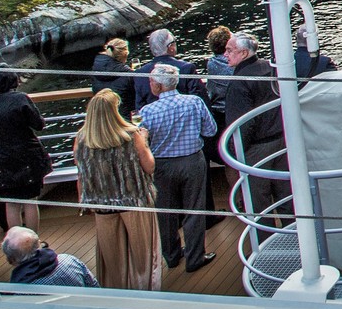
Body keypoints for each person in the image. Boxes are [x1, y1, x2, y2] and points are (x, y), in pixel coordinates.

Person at [73, 89, 159, 290]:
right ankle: (146, 294)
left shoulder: (82, 139)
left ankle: (117, 294)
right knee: (144, 258)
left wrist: (83, 202)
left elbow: (82, 174)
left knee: (112, 261)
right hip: (134, 201)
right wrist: (144, 140)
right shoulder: (132, 135)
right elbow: (150, 166)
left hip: (101, 204)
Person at [138, 65, 218, 273]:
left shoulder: (147, 111)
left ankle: (172, 256)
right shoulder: (194, 102)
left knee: (166, 212)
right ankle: (195, 257)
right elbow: (210, 130)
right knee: (194, 210)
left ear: (157, 85)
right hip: (192, 161)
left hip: (162, 165)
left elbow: (143, 142)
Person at [222, 31, 287, 220]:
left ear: (243, 53)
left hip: (257, 149)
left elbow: (242, 124)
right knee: (286, 196)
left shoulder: (239, 82)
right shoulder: (269, 67)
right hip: (282, 141)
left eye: (229, 50)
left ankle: (266, 245)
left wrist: (236, 153)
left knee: (259, 204)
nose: (225, 54)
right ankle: (296, 238)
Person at [0, 65, 50, 234]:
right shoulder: (20, 99)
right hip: (26, 157)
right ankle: (33, 243)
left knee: (11, 204)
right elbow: (38, 124)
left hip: (0, 160)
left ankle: (16, 242)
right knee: (30, 201)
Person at [2, 226, 99, 287]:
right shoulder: (69, 260)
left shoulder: (19, 290)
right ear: (39, 244)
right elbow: (94, 287)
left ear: (12, 260)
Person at [133, 28, 204, 107]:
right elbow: (201, 100)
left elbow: (139, 106)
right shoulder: (187, 68)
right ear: (170, 47)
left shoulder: (140, 73)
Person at [91, 37, 136, 117]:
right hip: (123, 120)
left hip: (102, 119)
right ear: (125, 54)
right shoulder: (127, 74)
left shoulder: (96, 70)